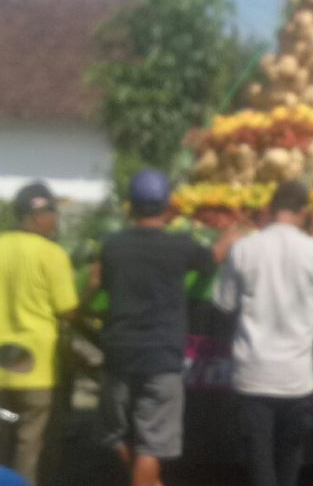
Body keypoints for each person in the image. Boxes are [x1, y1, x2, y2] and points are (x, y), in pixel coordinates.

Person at [93, 168, 238, 486]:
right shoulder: (180, 246)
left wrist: (78, 309)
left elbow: (95, 281)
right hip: (160, 358)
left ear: (130, 206)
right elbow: (213, 258)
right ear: (168, 206)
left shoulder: (112, 246)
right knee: (152, 443)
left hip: (118, 355)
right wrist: (230, 236)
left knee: (117, 434)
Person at [213, 181, 313, 486]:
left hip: (253, 375)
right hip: (295, 378)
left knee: (259, 462)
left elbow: (223, 302)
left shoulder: (245, 249)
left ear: (269, 211)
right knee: (289, 461)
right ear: (305, 212)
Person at [0, 181, 78, 485]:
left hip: (0, 361)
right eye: (54, 213)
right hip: (36, 367)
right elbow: (67, 310)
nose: (57, 220)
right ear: (39, 216)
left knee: (5, 434)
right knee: (30, 441)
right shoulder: (52, 254)